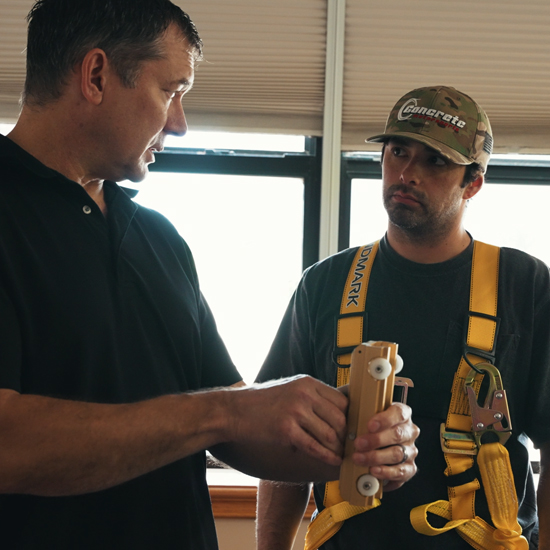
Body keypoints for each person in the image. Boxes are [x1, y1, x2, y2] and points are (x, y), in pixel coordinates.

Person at [0, 1, 420, 548]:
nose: (179, 123)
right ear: (96, 75)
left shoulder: (158, 238)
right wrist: (222, 412)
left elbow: (235, 428)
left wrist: (343, 437)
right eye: (171, 91)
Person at [256, 85, 550, 549]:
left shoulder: (524, 285)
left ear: (472, 182)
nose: (407, 173)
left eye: (435, 161)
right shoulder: (326, 285)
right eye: (397, 151)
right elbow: (282, 440)